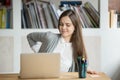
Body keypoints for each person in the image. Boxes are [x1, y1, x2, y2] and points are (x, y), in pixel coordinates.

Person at [27, 9, 97, 74]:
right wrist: (40, 53)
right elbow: (30, 36)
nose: (63, 27)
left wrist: (88, 69)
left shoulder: (78, 46)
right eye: (61, 24)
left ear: (75, 27)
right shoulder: (50, 37)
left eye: (68, 25)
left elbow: (84, 64)